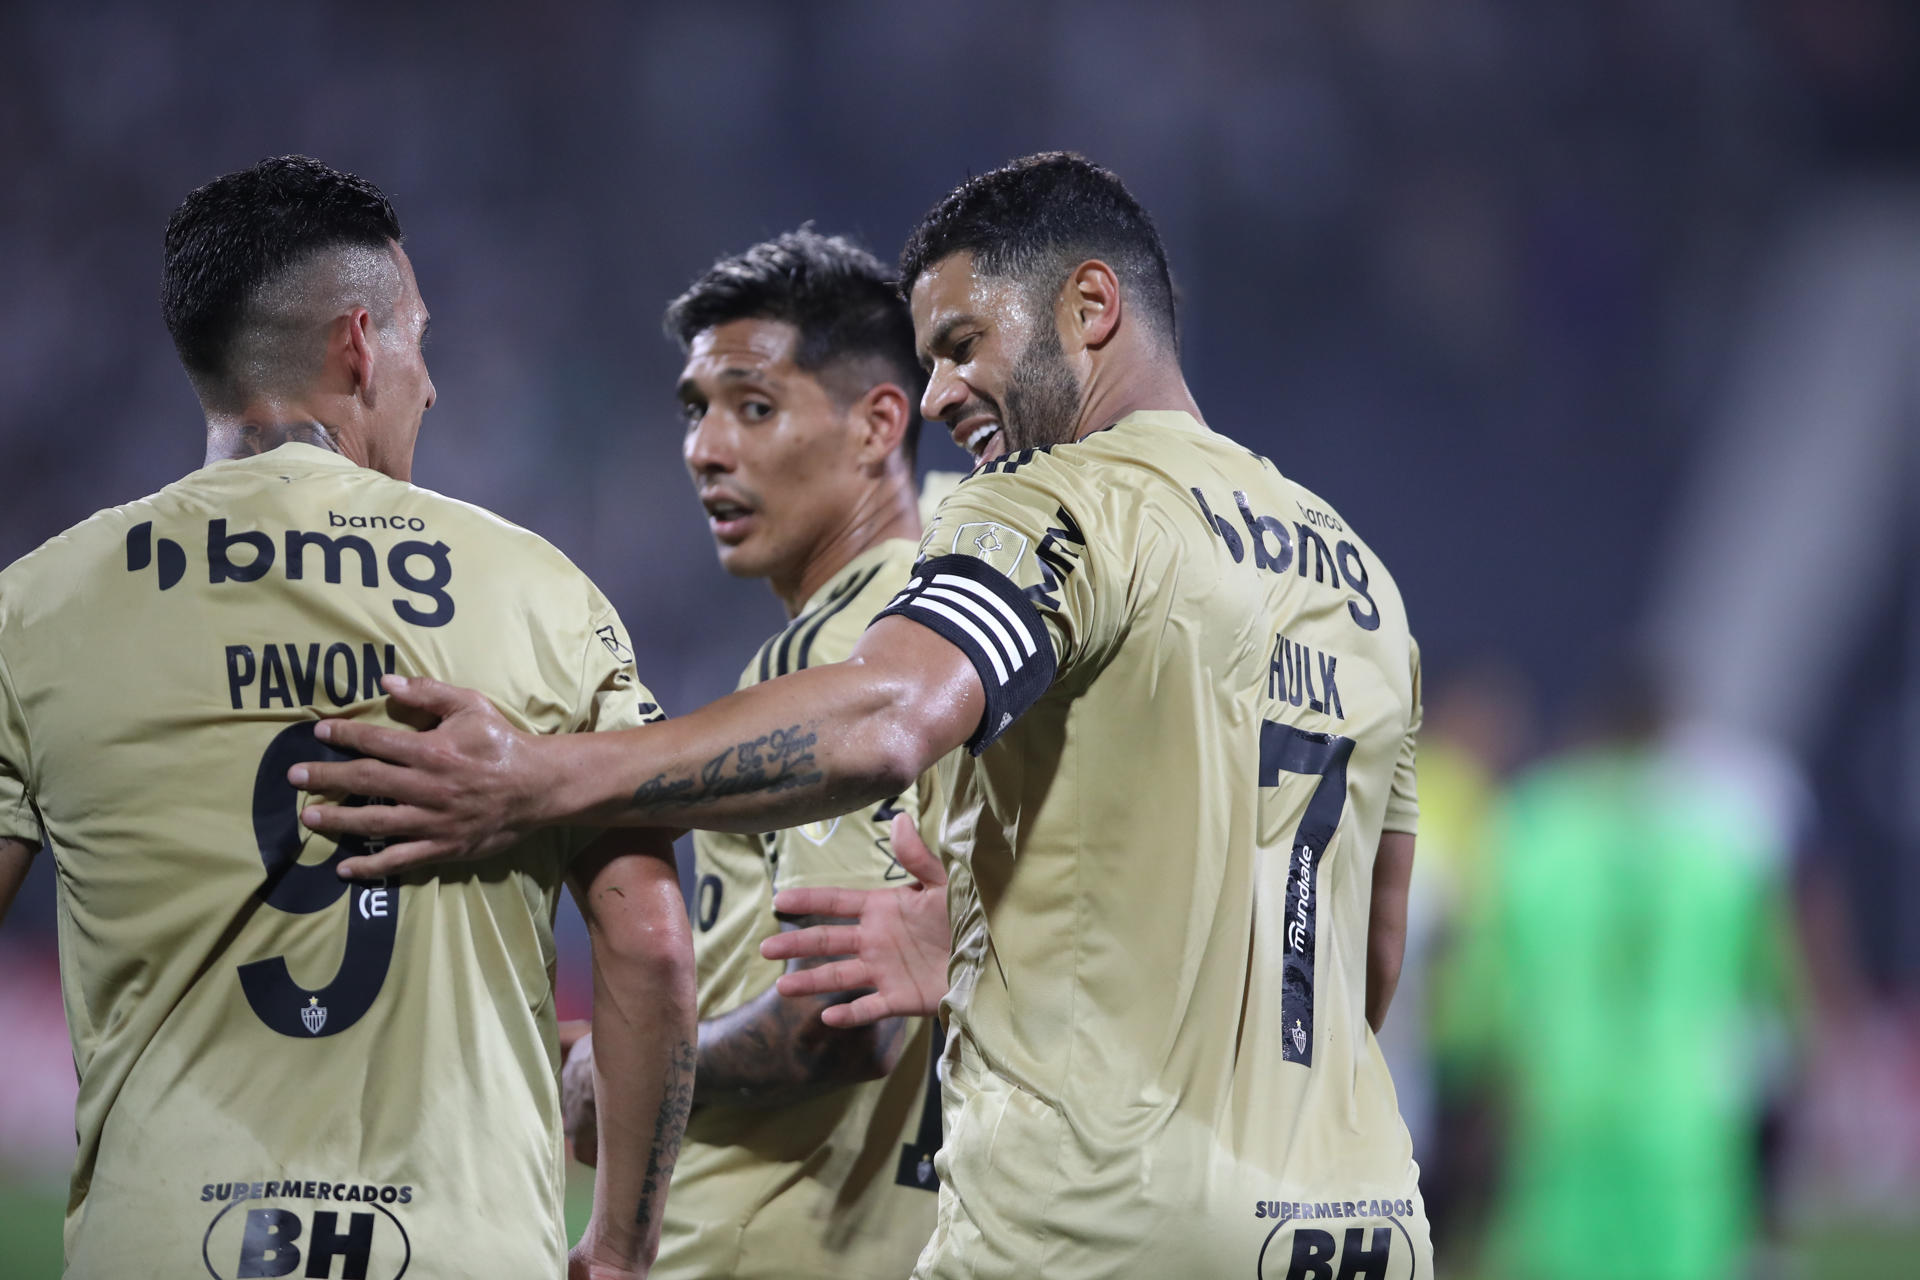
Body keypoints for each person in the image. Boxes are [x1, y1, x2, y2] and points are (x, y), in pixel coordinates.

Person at [300, 152, 1431, 1279]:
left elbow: (889, 716)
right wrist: (997, 948)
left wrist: (541, 779)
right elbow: (1356, 962)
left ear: (1090, 308)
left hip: (1098, 1224)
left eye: (962, 346)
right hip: (1352, 1222)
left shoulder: (1060, 497)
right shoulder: (1365, 583)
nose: (939, 396)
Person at [0, 156, 695, 1280]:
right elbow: (652, 944)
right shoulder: (538, 593)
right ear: (361, 345)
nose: (432, 385)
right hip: (461, 1249)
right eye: (422, 340)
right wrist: (619, 1243)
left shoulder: (38, 606)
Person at [560, 229, 945, 1279]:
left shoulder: (844, 652)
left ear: (878, 425)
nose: (706, 448)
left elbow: (841, 1014)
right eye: (696, 408)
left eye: (753, 405)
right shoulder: (963, 645)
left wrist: (628, 1067)